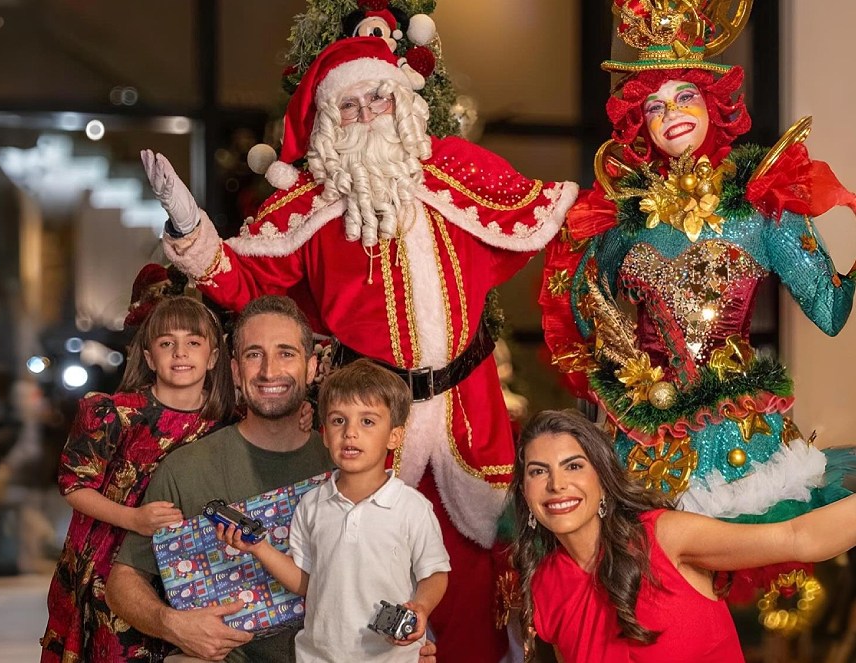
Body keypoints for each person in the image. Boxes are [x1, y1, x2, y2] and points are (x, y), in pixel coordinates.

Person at [141, 36, 579, 661]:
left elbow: (549, 215)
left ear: (403, 102)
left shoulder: (456, 176)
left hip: (467, 406)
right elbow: (245, 282)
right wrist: (189, 229)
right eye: (350, 106)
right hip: (371, 413)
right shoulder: (313, 211)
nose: (369, 113)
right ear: (328, 124)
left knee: (477, 563)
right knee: (362, 553)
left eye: (380, 97)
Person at [540, 0, 856, 596]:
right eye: (655, 105)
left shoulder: (760, 206)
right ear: (641, 124)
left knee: (713, 593)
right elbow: (580, 317)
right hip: (643, 443)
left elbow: (831, 313)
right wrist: (613, 349)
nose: (671, 114)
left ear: (715, 104)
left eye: (686, 96)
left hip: (741, 447)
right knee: (649, 593)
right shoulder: (619, 222)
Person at [512, 409, 856, 663]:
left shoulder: (662, 535)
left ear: (602, 479)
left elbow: (799, 537)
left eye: (574, 466)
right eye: (538, 471)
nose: (556, 484)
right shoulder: (545, 582)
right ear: (525, 491)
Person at [40, 264, 236, 662]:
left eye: (193, 343)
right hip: (107, 561)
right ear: (148, 355)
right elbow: (75, 486)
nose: (180, 353)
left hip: (178, 565)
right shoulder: (114, 413)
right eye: (166, 343)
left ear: (214, 356)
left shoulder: (224, 424)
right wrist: (133, 520)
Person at [218, 359, 450, 662]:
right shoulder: (312, 506)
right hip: (319, 656)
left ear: (394, 436)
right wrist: (259, 549)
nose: (350, 433)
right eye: (339, 421)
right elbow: (306, 581)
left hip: (393, 658)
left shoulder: (412, 508)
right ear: (325, 434)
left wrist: (420, 606)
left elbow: (434, 572)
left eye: (367, 421)